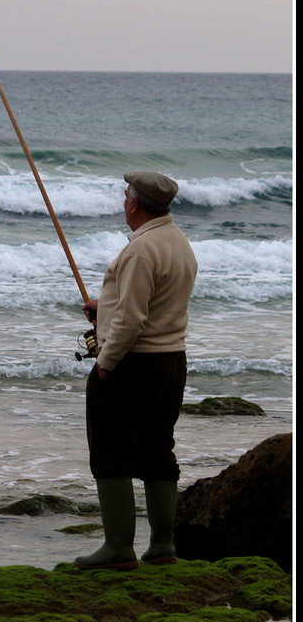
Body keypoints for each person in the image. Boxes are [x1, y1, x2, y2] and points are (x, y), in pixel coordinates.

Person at [75, 171, 197, 570]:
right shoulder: (178, 243)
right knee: (158, 449)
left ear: (135, 203)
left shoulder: (141, 250)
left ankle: (118, 549)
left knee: (112, 451)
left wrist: (106, 366)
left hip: (133, 363)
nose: (123, 201)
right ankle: (163, 545)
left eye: (125, 195)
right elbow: (153, 306)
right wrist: (103, 309)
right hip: (170, 361)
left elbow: (131, 321)